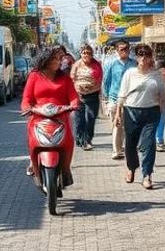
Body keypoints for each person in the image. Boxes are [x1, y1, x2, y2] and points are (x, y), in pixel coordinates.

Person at [21, 47, 80, 183]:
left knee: (69, 141)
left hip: (60, 116)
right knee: (31, 139)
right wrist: (26, 108)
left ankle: (66, 169)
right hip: (38, 117)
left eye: (60, 59)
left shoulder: (65, 78)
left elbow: (73, 97)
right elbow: (26, 98)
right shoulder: (34, 75)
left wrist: (74, 105)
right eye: (56, 59)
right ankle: (33, 162)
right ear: (47, 59)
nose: (59, 62)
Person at [115, 44, 165, 189]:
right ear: (136, 57)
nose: (143, 57)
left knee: (148, 144)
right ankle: (131, 167)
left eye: (147, 55)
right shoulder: (130, 73)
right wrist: (118, 114)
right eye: (140, 54)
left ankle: (147, 175)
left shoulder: (157, 75)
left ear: (151, 57)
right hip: (131, 111)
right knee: (130, 144)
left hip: (151, 112)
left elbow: (163, 95)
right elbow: (122, 94)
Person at [103, 41, 137, 160]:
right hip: (115, 98)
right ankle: (116, 150)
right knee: (117, 124)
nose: (125, 51)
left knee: (129, 125)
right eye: (122, 49)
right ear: (117, 50)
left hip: (130, 98)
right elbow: (106, 81)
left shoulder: (134, 64)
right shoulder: (111, 64)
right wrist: (106, 98)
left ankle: (127, 148)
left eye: (127, 48)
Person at [70, 44, 103, 150]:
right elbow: (72, 79)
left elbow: (100, 79)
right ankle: (80, 140)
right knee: (79, 120)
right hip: (78, 95)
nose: (86, 55)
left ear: (91, 54)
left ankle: (87, 140)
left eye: (88, 53)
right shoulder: (76, 65)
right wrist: (78, 88)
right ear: (81, 53)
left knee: (90, 119)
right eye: (84, 52)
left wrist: (91, 87)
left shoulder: (96, 65)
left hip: (92, 95)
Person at [155, 58, 165, 151]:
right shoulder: (164, 72)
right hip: (162, 100)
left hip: (155, 99)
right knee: (161, 121)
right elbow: (164, 87)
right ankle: (159, 141)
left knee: (156, 122)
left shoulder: (156, 73)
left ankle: (156, 141)